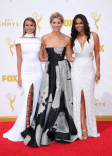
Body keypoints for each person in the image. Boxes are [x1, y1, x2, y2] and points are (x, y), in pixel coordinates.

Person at [21, 12, 77, 147]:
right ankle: (46, 128)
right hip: (50, 70)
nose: (56, 25)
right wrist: (52, 62)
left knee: (63, 97)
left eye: (59, 22)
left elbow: (69, 58)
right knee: (48, 98)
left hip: (64, 71)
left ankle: (62, 129)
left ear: (62, 23)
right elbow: (42, 58)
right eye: (54, 22)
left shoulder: (67, 38)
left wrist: (85, 57)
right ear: (50, 23)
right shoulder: (44, 38)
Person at [3, 17, 43, 141]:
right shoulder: (19, 40)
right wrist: (19, 75)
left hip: (38, 72)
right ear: (24, 26)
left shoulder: (38, 40)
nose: (29, 27)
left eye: (31, 25)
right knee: (27, 100)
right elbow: (19, 59)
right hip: (26, 72)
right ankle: (22, 130)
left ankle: (30, 127)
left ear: (35, 27)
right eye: (27, 25)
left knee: (35, 100)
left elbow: (41, 57)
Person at [71, 14, 100, 140]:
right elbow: (69, 56)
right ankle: (83, 127)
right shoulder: (72, 38)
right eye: (76, 23)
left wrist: (98, 70)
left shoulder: (94, 35)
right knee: (79, 97)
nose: (79, 26)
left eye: (81, 23)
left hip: (89, 69)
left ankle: (89, 127)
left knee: (88, 97)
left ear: (85, 23)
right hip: (76, 69)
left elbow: (97, 54)